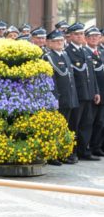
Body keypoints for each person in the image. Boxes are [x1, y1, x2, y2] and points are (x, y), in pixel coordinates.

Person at [65, 22, 101, 162]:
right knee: (74, 124)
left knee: (87, 123)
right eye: (77, 34)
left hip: (89, 93)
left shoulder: (85, 51)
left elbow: (91, 74)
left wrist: (96, 91)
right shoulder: (68, 52)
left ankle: (83, 150)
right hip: (78, 95)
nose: (79, 36)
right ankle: (71, 152)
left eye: (81, 34)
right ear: (71, 36)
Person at [43, 29, 79, 165]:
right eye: (56, 41)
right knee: (56, 128)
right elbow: (50, 81)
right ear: (49, 43)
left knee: (67, 127)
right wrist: (54, 98)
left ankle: (64, 153)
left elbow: (70, 78)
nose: (59, 43)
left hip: (69, 97)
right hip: (59, 98)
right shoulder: (48, 57)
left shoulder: (64, 55)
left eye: (61, 41)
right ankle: (53, 155)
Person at [84, 26, 104, 157]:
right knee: (89, 121)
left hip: (102, 91)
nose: (94, 38)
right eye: (91, 36)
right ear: (86, 38)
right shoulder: (85, 52)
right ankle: (87, 147)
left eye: (96, 36)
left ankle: (97, 146)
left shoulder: (101, 52)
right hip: (93, 92)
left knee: (100, 122)